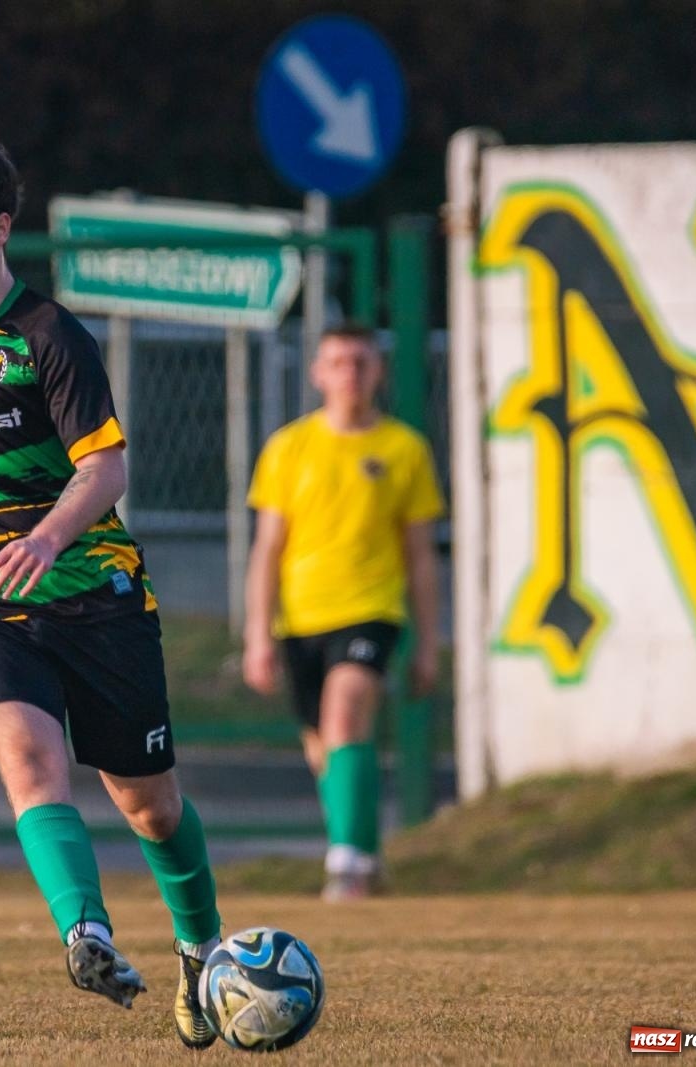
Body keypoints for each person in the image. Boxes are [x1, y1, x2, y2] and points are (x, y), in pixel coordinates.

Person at [0, 136, 224, 1048]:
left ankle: (201, 949)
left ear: (0, 229)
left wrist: (44, 538)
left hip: (93, 591)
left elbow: (105, 468)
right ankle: (86, 933)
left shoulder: (50, 336)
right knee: (26, 758)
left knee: (148, 804)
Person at [242, 325, 443, 901]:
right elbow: (268, 549)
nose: (350, 373)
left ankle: (347, 863)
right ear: (317, 374)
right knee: (323, 747)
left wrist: (428, 644)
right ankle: (366, 855)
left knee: (346, 711)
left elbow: (421, 556)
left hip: (372, 610)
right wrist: (258, 634)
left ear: (378, 372)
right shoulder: (289, 448)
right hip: (301, 619)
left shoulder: (404, 449)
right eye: (338, 362)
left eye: (360, 362)